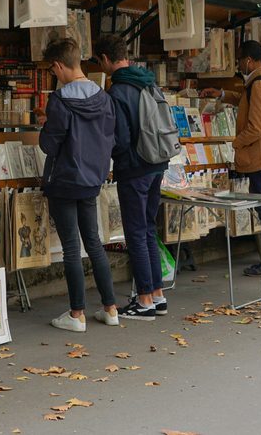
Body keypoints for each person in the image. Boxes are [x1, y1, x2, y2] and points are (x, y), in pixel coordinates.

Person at [37, 38, 119, 332]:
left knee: (72, 248)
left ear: (59, 65)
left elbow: (50, 145)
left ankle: (77, 314)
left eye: (53, 69)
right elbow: (111, 137)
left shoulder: (59, 101)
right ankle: (111, 308)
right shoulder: (104, 97)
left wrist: (46, 125)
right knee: (94, 243)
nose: (54, 75)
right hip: (92, 180)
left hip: (64, 181)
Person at [96, 33, 169, 321]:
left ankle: (144, 300)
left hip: (135, 167)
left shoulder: (118, 91)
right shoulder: (148, 81)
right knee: (149, 229)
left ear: (104, 59)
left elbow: (122, 139)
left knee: (136, 233)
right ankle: (157, 295)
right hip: (157, 162)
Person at [201, 40, 261, 276]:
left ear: (248, 60)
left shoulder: (259, 83)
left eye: (239, 61)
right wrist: (223, 94)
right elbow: (247, 103)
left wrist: (236, 144)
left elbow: (257, 126)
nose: (239, 66)